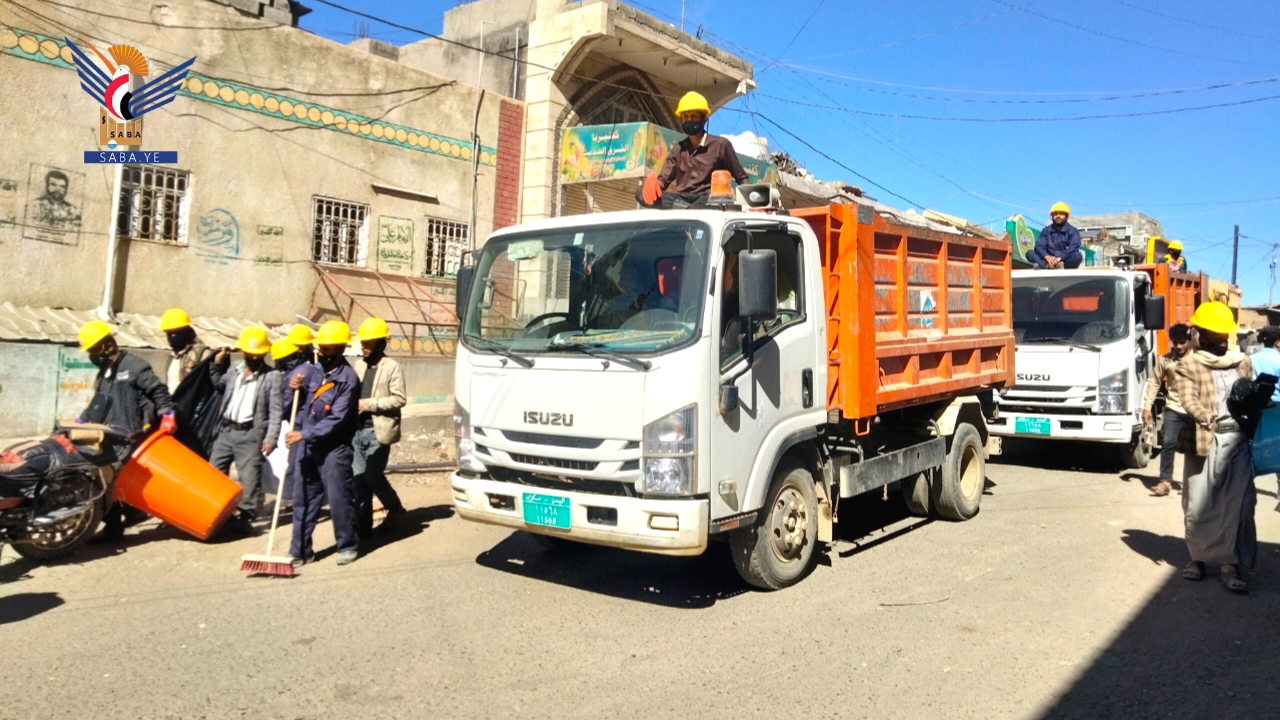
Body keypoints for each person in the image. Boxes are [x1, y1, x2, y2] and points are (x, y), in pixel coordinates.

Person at [1172, 302, 1255, 593]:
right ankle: (1197, 559)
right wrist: (1201, 414)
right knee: (1199, 505)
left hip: (1239, 442)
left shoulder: (1242, 361)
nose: (1221, 340)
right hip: (1205, 440)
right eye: (1215, 335)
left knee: (1240, 505)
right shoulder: (1187, 365)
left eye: (1224, 335)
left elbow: (1250, 392)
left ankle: (1230, 564)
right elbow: (1188, 398)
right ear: (1200, 334)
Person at [76, 320, 176, 539]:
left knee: (106, 479)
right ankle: (131, 513)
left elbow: (158, 390)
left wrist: (168, 414)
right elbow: (98, 404)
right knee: (108, 477)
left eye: (93, 349)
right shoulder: (103, 373)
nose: (92, 355)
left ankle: (114, 528)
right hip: (112, 435)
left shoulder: (134, 366)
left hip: (134, 434)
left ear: (108, 346)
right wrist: (81, 422)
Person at [285, 320, 361, 567]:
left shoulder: (348, 379)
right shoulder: (312, 371)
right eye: (321, 348)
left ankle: (348, 545)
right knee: (304, 498)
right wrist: (292, 387)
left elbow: (337, 418)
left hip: (334, 449)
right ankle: (300, 550)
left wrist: (304, 434)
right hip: (307, 447)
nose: (322, 353)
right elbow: (292, 402)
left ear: (341, 348)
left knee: (339, 499)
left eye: (328, 349)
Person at [209, 326, 282, 534]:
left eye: (257, 354)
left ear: (264, 353)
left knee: (250, 480)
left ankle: (245, 518)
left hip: (251, 434)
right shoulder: (234, 369)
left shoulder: (272, 377)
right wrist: (216, 365)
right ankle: (222, 513)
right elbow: (218, 386)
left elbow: (276, 412)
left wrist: (271, 438)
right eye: (249, 353)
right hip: (226, 431)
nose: (252, 357)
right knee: (214, 472)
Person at [638, 91, 749, 209]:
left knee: (716, 198)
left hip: (707, 199)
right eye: (685, 117)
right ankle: (687, 208)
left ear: (704, 119)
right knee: (639, 193)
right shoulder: (678, 149)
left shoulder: (720, 145)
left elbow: (741, 178)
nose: (689, 120)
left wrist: (752, 202)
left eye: (694, 116)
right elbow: (663, 181)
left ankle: (685, 208)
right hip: (681, 199)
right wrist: (652, 185)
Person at [351, 317, 408, 537]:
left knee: (373, 476)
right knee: (359, 481)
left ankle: (395, 509)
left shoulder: (391, 367)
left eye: (368, 342)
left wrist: (369, 404)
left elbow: (399, 399)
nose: (363, 346)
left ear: (381, 344)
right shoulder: (358, 365)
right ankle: (362, 527)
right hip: (357, 432)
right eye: (362, 342)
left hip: (378, 432)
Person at [1142, 323, 1192, 497]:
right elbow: (1154, 382)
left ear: (1189, 341)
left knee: (1197, 447)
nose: (1178, 346)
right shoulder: (1165, 360)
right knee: (1168, 442)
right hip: (1173, 406)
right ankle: (1164, 481)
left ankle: (1195, 483)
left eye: (1182, 342)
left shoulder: (1198, 359)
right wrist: (1147, 407)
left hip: (1195, 409)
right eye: (1175, 342)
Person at [159, 308, 213, 389]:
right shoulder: (173, 357)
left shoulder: (202, 353)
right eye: (169, 333)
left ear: (186, 332)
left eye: (177, 332)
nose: (173, 336)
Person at [1027, 202, 1083, 270]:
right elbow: (1039, 246)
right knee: (1029, 253)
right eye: (1055, 214)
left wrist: (1060, 258)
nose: (1058, 216)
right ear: (1052, 216)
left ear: (1066, 216)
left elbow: (1073, 247)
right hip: (1048, 260)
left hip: (1064, 261)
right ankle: (1047, 266)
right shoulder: (1046, 231)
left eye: (1061, 214)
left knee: (1077, 256)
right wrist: (1047, 257)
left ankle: (1057, 266)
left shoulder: (1073, 231)